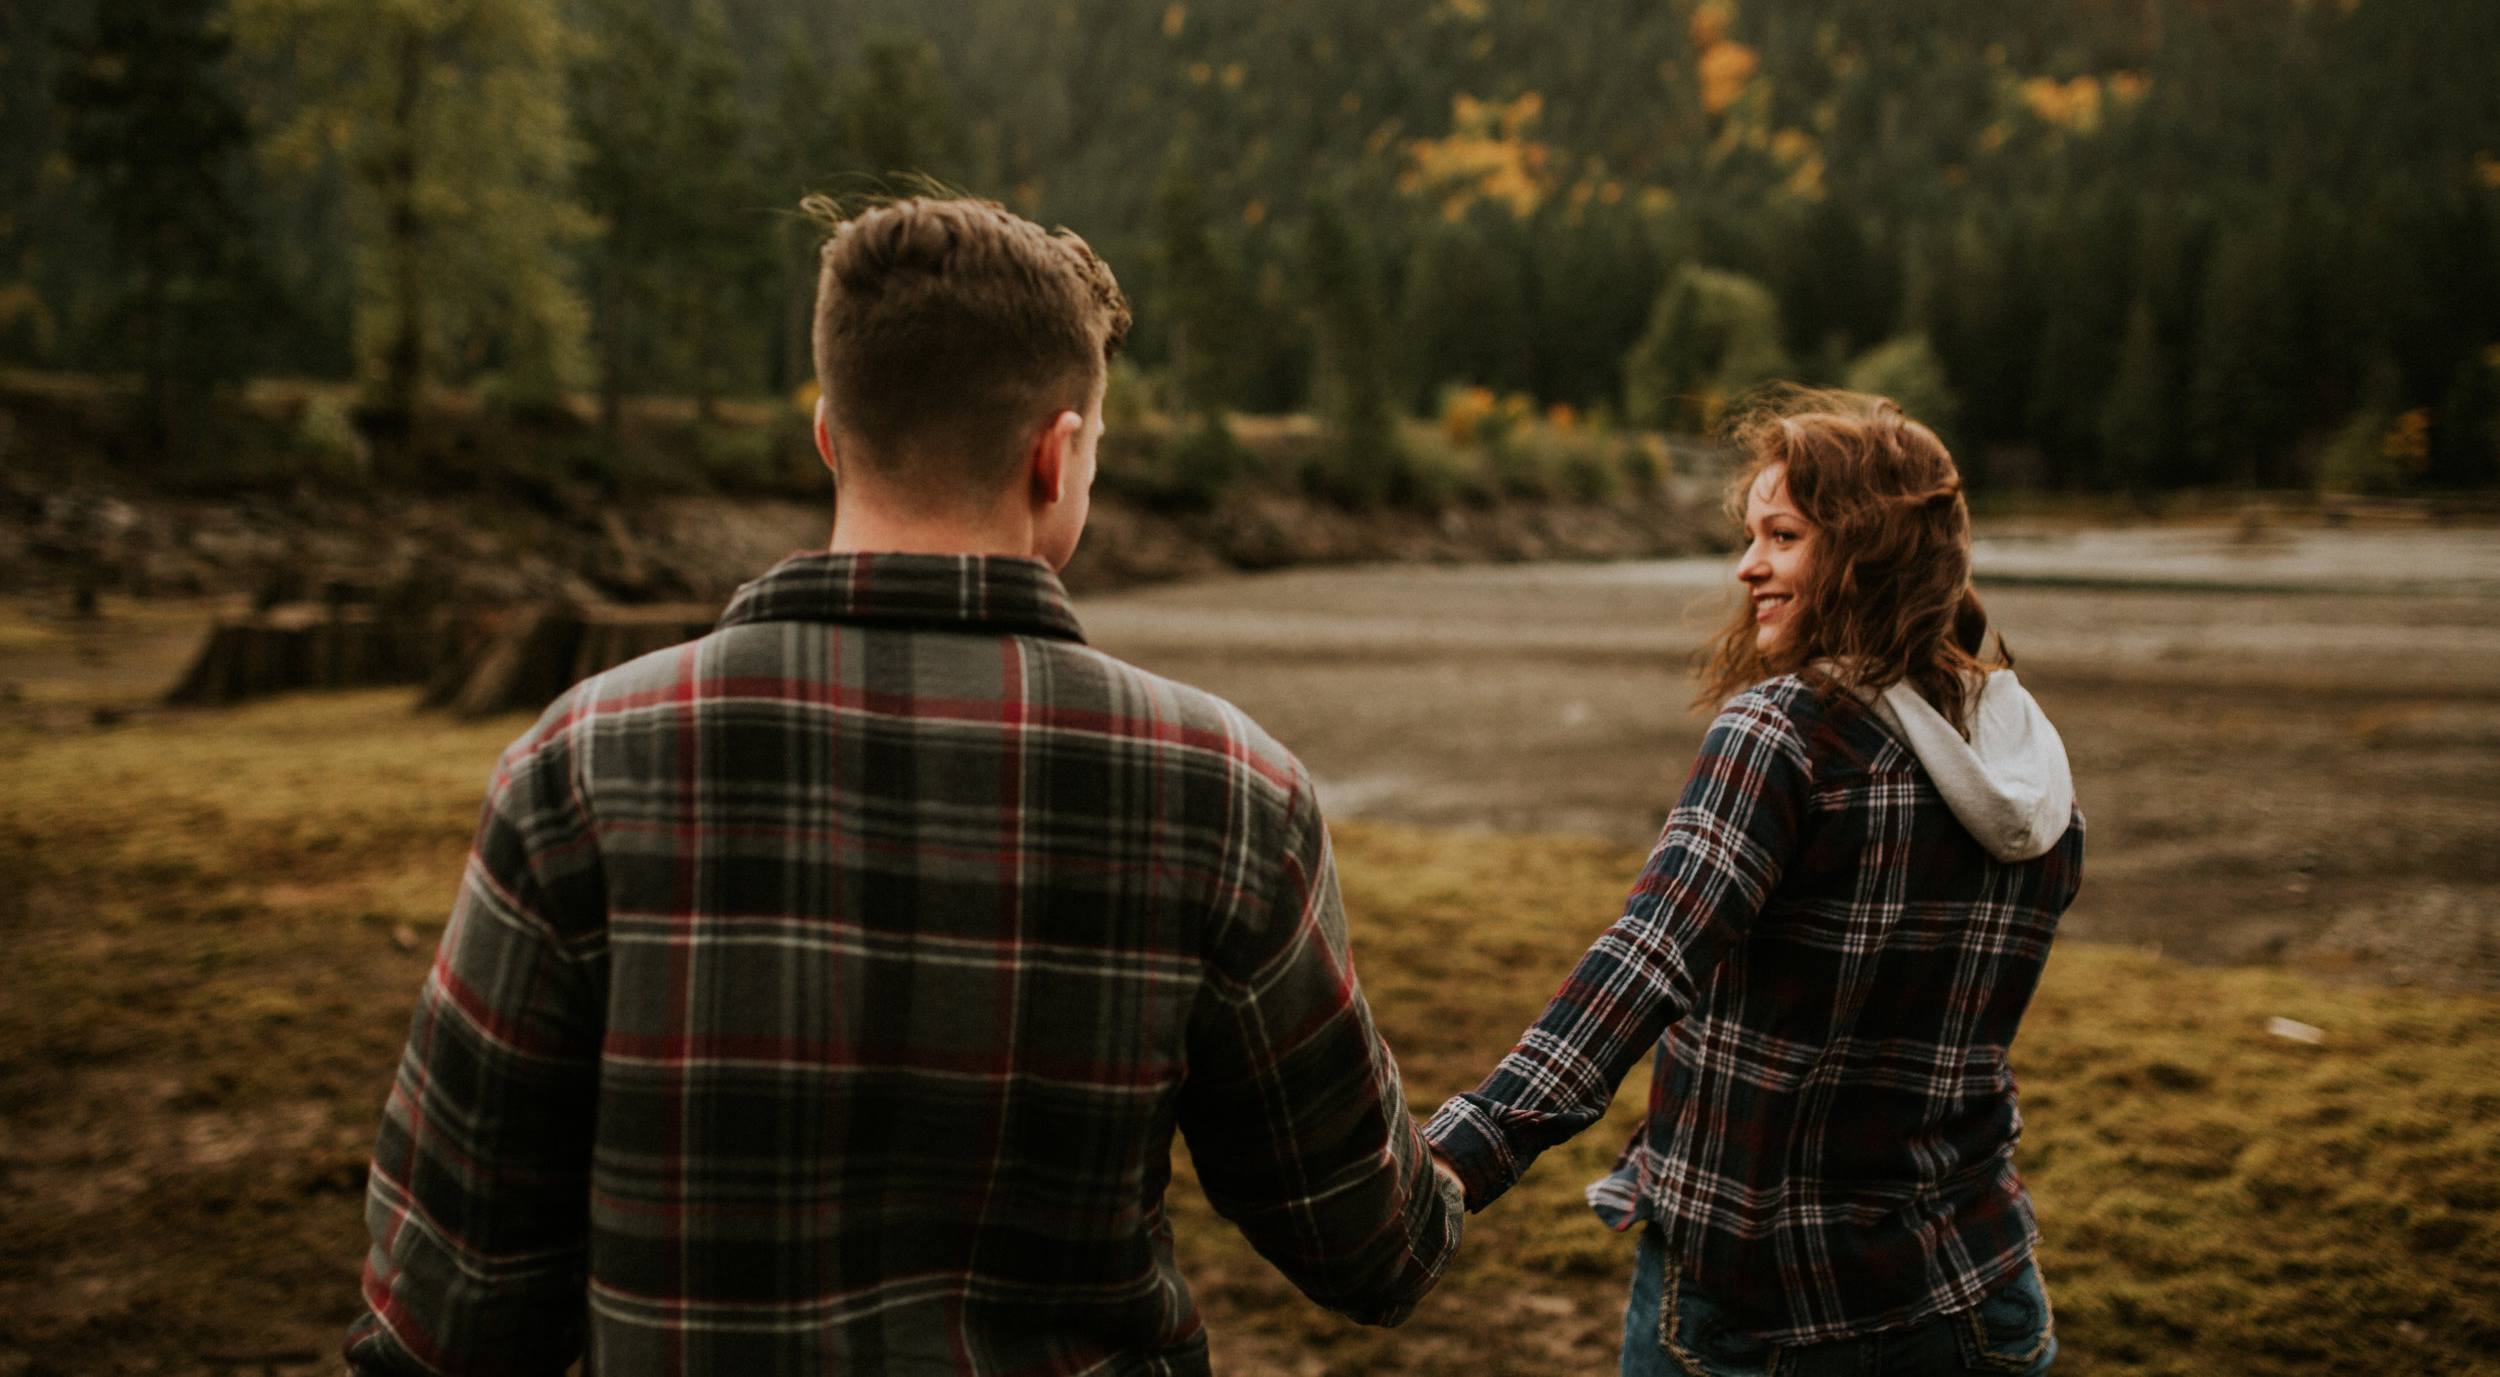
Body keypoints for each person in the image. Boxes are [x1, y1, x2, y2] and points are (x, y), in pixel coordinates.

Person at [345, 197, 1462, 1376]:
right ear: (1056, 452)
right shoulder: (1226, 789)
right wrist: (1486, 1137)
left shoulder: (575, 765)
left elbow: (444, 1316)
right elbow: (1371, 1242)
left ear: (829, 433)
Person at [1424, 391, 2083, 1377]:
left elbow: (1648, 955)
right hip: (1974, 1293)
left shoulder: (1786, 728)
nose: (1747, 566)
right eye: (1750, 535)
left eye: (1782, 534)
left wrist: (1464, 1150)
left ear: (1865, 547)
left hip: (1760, 1308)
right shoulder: (2029, 761)